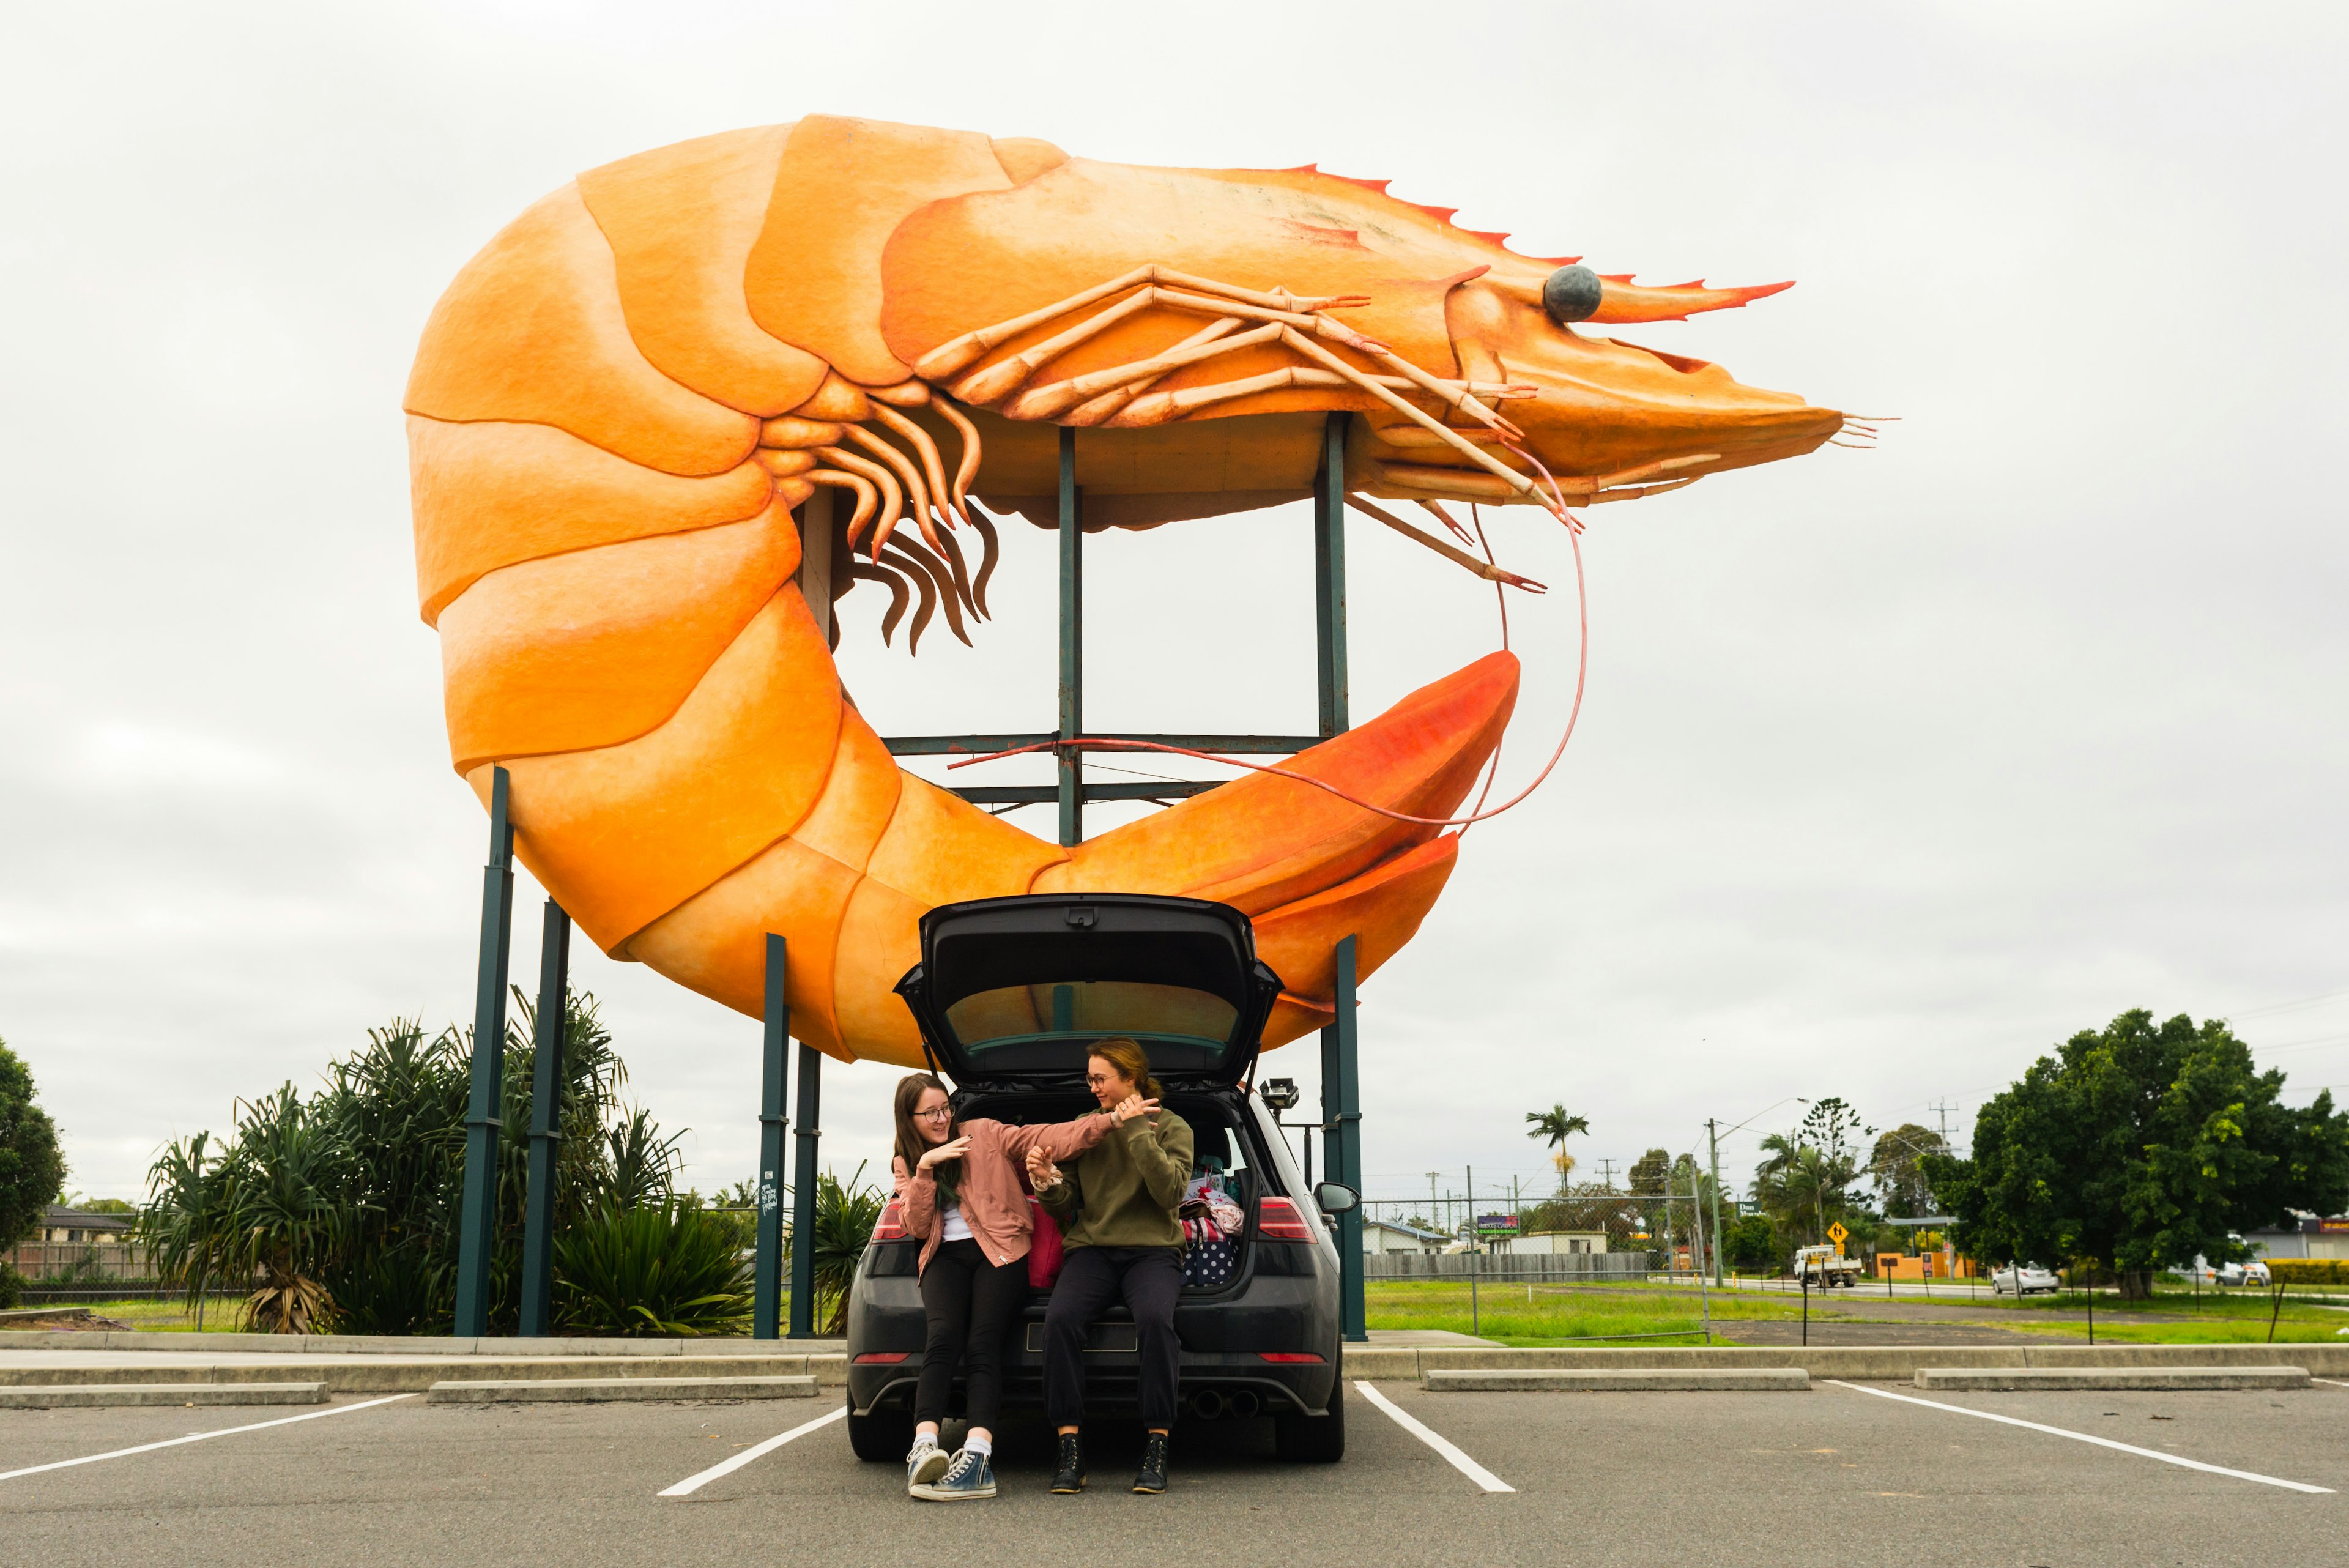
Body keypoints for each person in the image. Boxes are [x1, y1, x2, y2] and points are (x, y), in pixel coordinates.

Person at [889, 1071, 1143, 1501]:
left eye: (945, 1108)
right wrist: (925, 1169)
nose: (941, 1118)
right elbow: (914, 1225)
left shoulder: (983, 1133)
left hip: (1001, 1250)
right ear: (908, 1118)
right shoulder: (906, 1159)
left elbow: (1048, 1136)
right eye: (930, 1112)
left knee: (982, 1341)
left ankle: (977, 1459)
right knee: (943, 1336)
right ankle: (924, 1447)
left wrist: (1108, 1121)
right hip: (945, 1256)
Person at [1025, 1037, 1193, 1496]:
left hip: (1153, 1250)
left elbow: (1170, 1194)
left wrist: (1137, 1128)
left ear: (1131, 1077)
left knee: (1157, 1320)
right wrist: (1045, 1181)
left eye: (1100, 1078)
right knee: (1058, 1320)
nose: (1093, 1086)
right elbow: (1065, 1205)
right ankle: (1069, 1449)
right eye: (1090, 1077)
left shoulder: (1173, 1127)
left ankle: (1157, 1443)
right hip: (1093, 1249)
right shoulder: (1086, 1126)